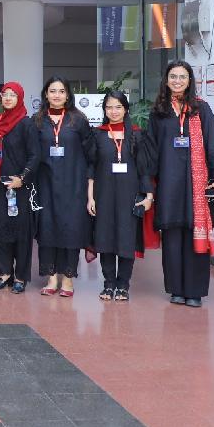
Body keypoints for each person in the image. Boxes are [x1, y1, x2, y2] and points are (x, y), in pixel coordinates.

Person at [144, 60, 214, 307]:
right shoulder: (158, 112)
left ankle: (194, 291)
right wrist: (147, 185)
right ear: (166, 80)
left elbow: (213, 142)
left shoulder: (201, 109)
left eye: (182, 77)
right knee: (172, 236)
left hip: (197, 186)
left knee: (194, 233)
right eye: (173, 76)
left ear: (190, 80)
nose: (178, 81)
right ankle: (176, 289)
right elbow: (151, 150)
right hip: (168, 183)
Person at [87, 89, 154, 302]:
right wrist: (90, 197)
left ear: (125, 109)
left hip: (129, 195)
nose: (113, 111)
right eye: (109, 107)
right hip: (103, 194)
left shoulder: (136, 134)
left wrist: (149, 196)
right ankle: (108, 284)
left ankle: (123, 285)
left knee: (127, 240)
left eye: (118, 107)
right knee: (105, 239)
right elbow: (91, 168)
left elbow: (144, 168)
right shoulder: (97, 134)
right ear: (104, 110)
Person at [33, 76, 96, 297]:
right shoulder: (37, 121)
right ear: (46, 94)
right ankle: (51, 278)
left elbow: (91, 154)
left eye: (61, 91)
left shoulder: (78, 120)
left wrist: (89, 187)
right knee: (47, 229)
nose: (57, 95)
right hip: (45, 185)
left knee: (71, 231)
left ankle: (68, 279)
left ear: (68, 95)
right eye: (52, 91)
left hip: (73, 185)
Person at [0, 81, 39, 293]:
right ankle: (4, 272)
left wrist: (22, 178)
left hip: (20, 187)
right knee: (0, 229)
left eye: (13, 95)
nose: (8, 98)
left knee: (21, 232)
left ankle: (20, 276)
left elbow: (35, 156)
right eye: (5, 94)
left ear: (20, 98)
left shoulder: (26, 124)